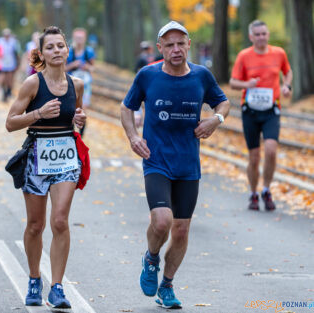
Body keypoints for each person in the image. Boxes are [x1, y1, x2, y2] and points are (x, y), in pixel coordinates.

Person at [121, 21, 230, 309]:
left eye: (180, 43)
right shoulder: (147, 75)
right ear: (160, 49)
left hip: (188, 165)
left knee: (181, 230)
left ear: (189, 44)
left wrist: (214, 120)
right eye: (169, 45)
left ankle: (167, 285)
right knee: (162, 221)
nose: (176, 49)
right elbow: (126, 107)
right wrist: (133, 137)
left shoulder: (202, 76)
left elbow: (224, 103)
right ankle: (151, 257)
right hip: (156, 160)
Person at [5, 26, 87, 310]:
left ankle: (57, 287)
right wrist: (38, 113)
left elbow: (76, 120)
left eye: (60, 46)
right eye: (50, 47)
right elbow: (10, 122)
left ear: (68, 50)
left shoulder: (77, 85)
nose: (57, 51)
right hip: (37, 156)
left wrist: (80, 118)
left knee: (60, 221)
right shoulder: (32, 84)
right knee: (36, 225)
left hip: (66, 158)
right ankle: (34, 278)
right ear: (41, 53)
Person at [230, 20, 292, 212]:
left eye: (264, 33)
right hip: (250, 111)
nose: (261, 37)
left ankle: (266, 189)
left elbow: (288, 72)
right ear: (251, 37)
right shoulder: (244, 56)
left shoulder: (279, 53)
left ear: (268, 34)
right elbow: (233, 82)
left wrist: (286, 86)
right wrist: (247, 85)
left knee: (271, 150)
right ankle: (253, 193)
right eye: (257, 34)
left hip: (271, 109)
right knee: (254, 157)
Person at [65, 28, 95, 137]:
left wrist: (86, 67)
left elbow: (93, 68)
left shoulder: (89, 52)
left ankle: (81, 135)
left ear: (84, 39)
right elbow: (62, 69)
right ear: (74, 38)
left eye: (81, 38)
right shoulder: (69, 51)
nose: (79, 40)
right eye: (77, 38)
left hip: (85, 85)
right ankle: (71, 133)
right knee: (72, 110)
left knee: (83, 110)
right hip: (71, 84)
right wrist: (73, 65)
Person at [0, 28, 20, 102]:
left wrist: (18, 63)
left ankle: (8, 92)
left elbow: (16, 53)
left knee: (9, 80)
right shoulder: (0, 41)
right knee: (2, 80)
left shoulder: (13, 42)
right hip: (2, 63)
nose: (6, 36)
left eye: (8, 35)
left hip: (11, 63)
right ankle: (4, 92)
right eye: (5, 35)